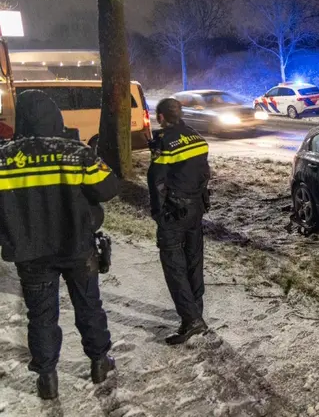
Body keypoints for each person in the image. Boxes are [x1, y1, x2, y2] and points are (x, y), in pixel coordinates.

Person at [0, 90, 119, 400]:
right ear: (55, 116)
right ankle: (99, 361)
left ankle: (46, 377)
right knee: (89, 306)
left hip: (30, 253)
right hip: (77, 247)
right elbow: (108, 188)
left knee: (40, 316)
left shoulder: (4, 157)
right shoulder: (75, 152)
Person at [147, 98, 211, 345]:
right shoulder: (196, 136)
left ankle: (192, 319)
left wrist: (158, 213)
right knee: (194, 261)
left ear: (161, 116)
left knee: (174, 266)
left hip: (174, 212)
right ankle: (196, 311)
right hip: (196, 208)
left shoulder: (165, 143)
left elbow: (157, 181)